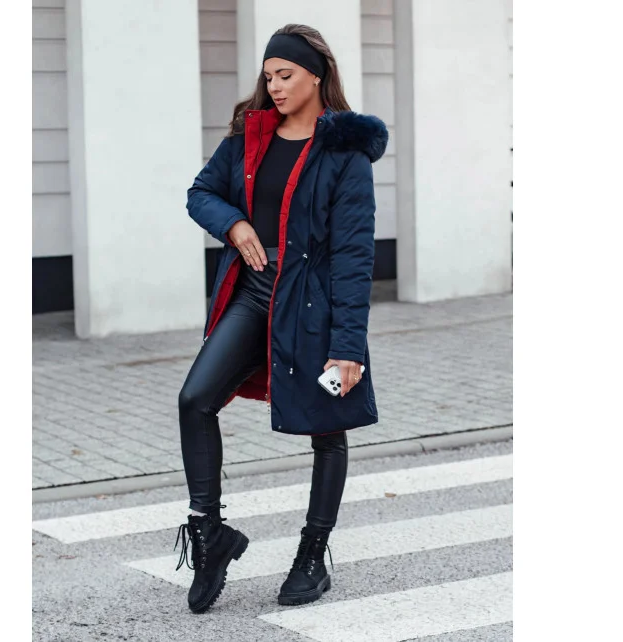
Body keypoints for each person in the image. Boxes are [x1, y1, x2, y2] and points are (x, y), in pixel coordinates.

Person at [174, 23, 388, 613]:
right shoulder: (251, 135)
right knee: (195, 399)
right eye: (268, 76)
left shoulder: (344, 151)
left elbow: (354, 255)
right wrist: (235, 224)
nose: (274, 86)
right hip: (251, 294)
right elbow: (200, 193)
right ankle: (210, 534)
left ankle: (312, 554)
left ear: (315, 75)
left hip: (313, 304)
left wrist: (348, 347)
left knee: (327, 426)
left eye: (285, 75)